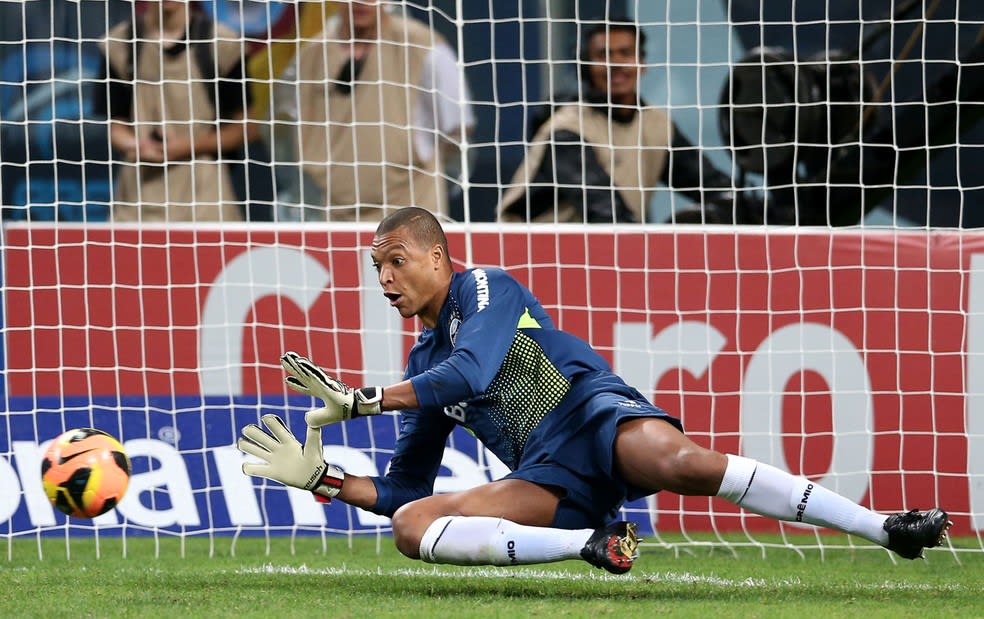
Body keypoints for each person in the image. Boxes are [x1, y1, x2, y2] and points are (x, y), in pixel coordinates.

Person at [238, 206, 951, 574]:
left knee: (685, 464)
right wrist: (325, 480)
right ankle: (593, 542)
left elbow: (475, 374)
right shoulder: (426, 356)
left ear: (436, 255)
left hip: (588, 412)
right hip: (545, 472)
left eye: (396, 261)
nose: (386, 278)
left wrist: (364, 398)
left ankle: (884, 527)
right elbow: (404, 487)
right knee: (411, 527)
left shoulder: (484, 287)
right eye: (376, 269)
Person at [498, 19, 749, 224]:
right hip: (533, 261)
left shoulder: (655, 123)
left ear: (642, 63)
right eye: (603, 55)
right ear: (586, 66)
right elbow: (604, 211)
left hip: (607, 256)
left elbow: (709, 185)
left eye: (625, 53)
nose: (615, 63)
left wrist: (749, 208)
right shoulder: (566, 129)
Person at [280, 0, 474, 221]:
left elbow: (459, 124)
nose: (360, 2)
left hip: (413, 211)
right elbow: (298, 131)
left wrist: (415, 156)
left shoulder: (422, 46)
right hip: (337, 217)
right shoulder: (312, 56)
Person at [98, 0, 250, 222]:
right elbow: (116, 126)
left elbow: (246, 127)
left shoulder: (224, 43)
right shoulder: (118, 44)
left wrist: (188, 146)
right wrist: (138, 146)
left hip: (206, 198)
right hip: (139, 196)